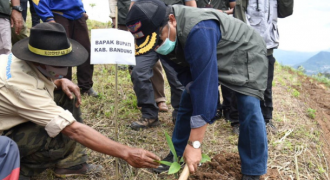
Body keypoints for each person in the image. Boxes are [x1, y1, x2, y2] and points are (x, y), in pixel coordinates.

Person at [126, 0, 268, 179]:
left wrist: (195, 144)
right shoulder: (165, 36)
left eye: (158, 39)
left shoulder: (199, 30)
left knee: (248, 104)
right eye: (152, 43)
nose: (157, 46)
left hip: (243, 49)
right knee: (189, 97)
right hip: (212, 47)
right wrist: (204, 103)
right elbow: (190, 78)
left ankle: (253, 171)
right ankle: (176, 154)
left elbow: (205, 84)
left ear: (172, 20)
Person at [0, 23, 160, 179]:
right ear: (39, 60)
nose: (64, 67)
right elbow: (73, 130)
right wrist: (127, 152)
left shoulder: (17, 60)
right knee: (61, 137)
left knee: (65, 94)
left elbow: (32, 82)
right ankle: (19, 170)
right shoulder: (19, 85)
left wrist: (58, 81)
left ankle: (71, 164)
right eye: (58, 64)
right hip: (3, 142)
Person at [128, 0, 195, 130]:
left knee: (177, 77)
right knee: (139, 71)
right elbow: (133, 8)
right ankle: (149, 114)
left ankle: (181, 115)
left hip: (171, 27)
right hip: (148, 35)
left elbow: (191, 7)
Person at [109, 0, 170, 112]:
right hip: (136, 23)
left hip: (158, 20)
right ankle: (146, 104)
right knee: (136, 64)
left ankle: (161, 100)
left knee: (162, 66)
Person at [32, 0, 98, 97]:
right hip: (58, 14)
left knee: (86, 50)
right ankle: (64, 85)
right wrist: (48, 18)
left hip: (77, 15)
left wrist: (82, 10)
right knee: (63, 52)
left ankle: (86, 86)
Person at [232, 0, 278, 134]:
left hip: (268, 44)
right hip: (249, 45)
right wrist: (244, 42)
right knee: (241, 83)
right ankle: (237, 121)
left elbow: (285, 12)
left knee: (266, 85)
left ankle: (266, 118)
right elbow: (239, 14)